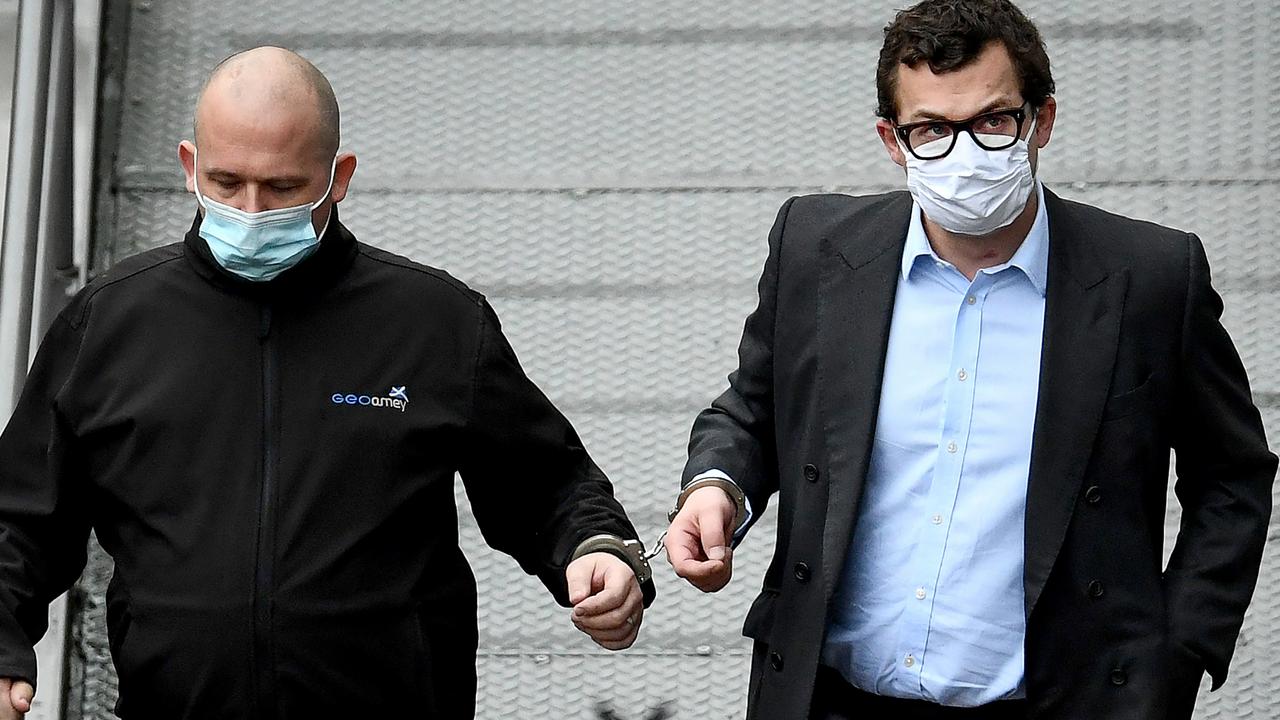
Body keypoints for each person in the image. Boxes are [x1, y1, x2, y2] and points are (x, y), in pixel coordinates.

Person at [0, 47, 653, 720]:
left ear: (338, 176)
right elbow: (19, 521)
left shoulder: (434, 322)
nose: (251, 211)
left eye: (282, 188)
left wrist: (595, 549)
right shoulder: (109, 323)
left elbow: (546, 482)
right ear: (190, 166)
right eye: (226, 183)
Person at [663, 1, 1276, 718]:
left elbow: (1231, 476)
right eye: (931, 129)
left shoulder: (1151, 276)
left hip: (1060, 702)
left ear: (1040, 121)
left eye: (992, 120)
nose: (964, 152)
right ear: (893, 141)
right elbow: (755, 404)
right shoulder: (816, 247)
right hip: (829, 697)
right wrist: (717, 488)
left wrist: (1174, 657)